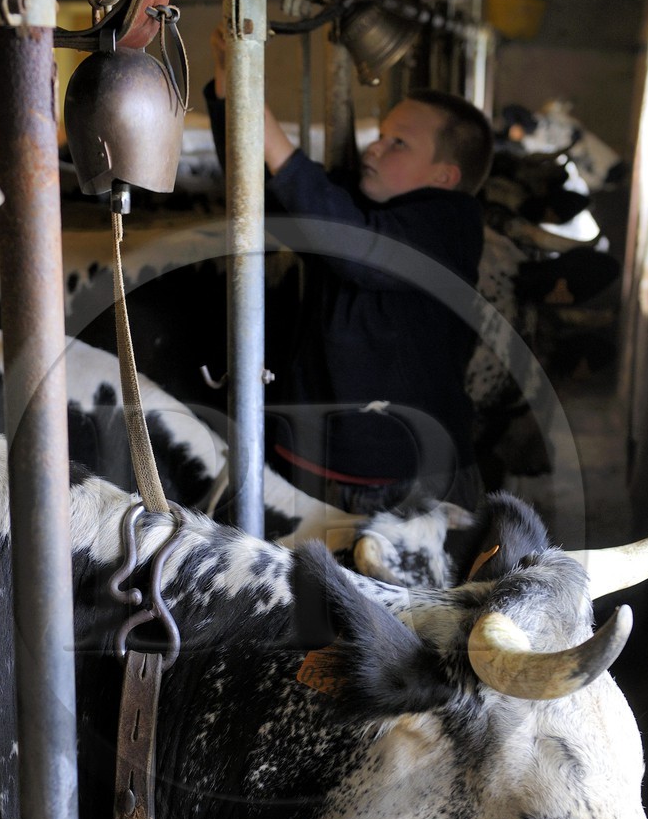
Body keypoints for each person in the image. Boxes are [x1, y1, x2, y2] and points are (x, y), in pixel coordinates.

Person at [205, 29, 493, 512]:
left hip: (410, 477)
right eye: (379, 136)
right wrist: (228, 84)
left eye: (398, 143)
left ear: (444, 177)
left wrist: (269, 128)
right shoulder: (357, 203)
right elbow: (266, 193)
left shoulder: (449, 224)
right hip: (317, 460)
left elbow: (357, 249)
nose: (373, 149)